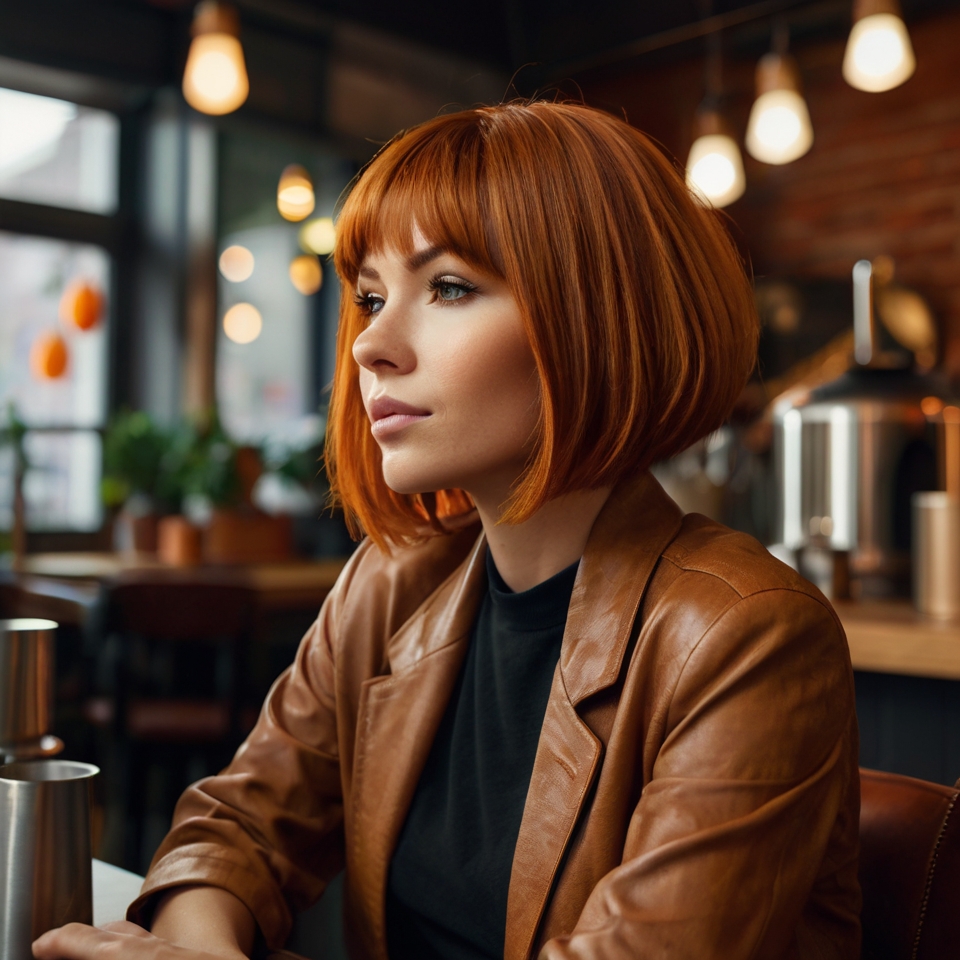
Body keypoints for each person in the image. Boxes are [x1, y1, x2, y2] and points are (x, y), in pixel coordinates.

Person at [35, 100, 860, 960]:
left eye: (450, 287)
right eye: (369, 297)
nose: (369, 346)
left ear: (598, 320)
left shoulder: (747, 637)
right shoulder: (389, 584)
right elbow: (232, 829)